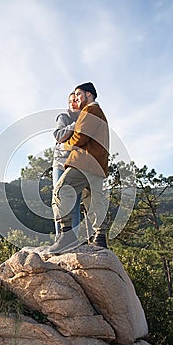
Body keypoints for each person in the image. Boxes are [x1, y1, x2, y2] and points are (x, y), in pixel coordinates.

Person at [47, 82, 109, 254]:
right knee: (94, 201)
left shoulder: (90, 111)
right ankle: (100, 238)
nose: (76, 98)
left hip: (84, 162)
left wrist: (66, 145)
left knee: (60, 191)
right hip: (98, 164)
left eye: (79, 95)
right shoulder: (100, 113)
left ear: (88, 95)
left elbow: (80, 137)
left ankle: (66, 236)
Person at [52, 92, 81, 236]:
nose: (74, 103)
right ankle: (60, 239)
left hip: (77, 165)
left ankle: (73, 241)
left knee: (74, 205)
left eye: (76, 100)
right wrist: (77, 125)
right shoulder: (63, 117)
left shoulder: (87, 119)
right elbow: (59, 135)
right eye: (71, 101)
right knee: (59, 200)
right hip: (61, 162)